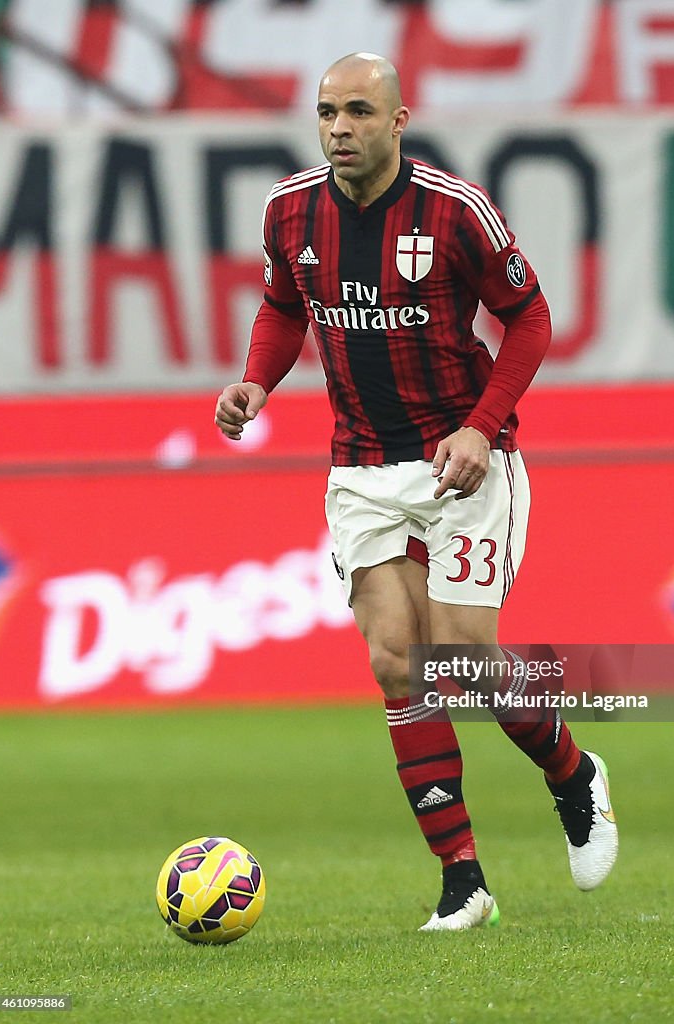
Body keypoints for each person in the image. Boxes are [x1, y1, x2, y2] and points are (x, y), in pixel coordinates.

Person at [215, 52, 618, 931]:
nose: (339, 129)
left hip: (459, 459)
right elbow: (285, 306)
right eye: (326, 112)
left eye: (359, 111)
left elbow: (531, 316)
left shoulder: (454, 209)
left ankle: (573, 774)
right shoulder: (292, 209)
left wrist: (482, 425)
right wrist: (256, 381)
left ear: (398, 121)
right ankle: (461, 879)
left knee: (463, 660)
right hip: (361, 466)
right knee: (398, 661)